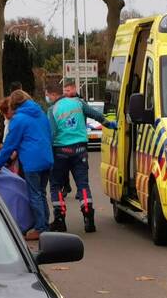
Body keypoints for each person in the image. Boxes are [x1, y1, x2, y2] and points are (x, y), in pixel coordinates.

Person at [47, 78, 117, 233]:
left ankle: (60, 220)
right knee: (83, 184)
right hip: (80, 149)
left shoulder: (52, 110)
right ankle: (88, 216)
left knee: (56, 185)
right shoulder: (79, 103)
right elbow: (96, 115)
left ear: (53, 95)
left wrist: (48, 153)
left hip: (60, 151)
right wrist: (109, 124)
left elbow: (51, 133)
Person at [0, 90, 53, 241]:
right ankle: (45, 224)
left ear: (13, 104)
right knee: (41, 193)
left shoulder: (18, 119)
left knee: (35, 194)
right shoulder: (40, 113)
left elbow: (9, 145)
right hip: (47, 158)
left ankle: (40, 229)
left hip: (32, 161)